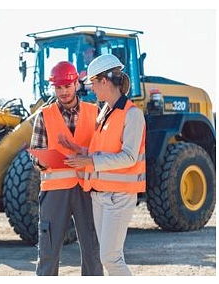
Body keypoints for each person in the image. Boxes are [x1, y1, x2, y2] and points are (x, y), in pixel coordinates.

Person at [61, 54, 146, 276]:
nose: (92, 90)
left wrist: (90, 161)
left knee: (111, 257)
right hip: (99, 195)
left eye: (93, 84)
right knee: (107, 255)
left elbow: (129, 156)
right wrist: (79, 150)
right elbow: (102, 151)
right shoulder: (104, 114)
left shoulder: (133, 115)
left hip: (118, 196)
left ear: (105, 81)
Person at [30, 61, 103, 276]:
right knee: (48, 251)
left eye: (67, 86)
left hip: (88, 189)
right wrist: (43, 161)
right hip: (55, 192)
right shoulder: (44, 115)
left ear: (76, 84)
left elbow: (102, 150)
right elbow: (37, 154)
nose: (62, 92)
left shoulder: (95, 112)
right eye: (58, 88)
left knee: (93, 251)